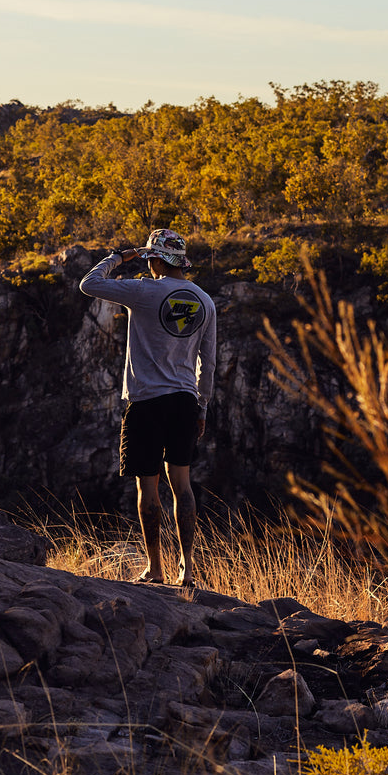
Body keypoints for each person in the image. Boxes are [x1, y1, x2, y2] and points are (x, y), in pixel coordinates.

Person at [79, 228, 217, 587]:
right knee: (182, 485)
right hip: (185, 402)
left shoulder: (143, 290)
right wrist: (202, 407)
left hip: (146, 402)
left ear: (153, 258)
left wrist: (120, 257)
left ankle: (156, 570)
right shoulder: (205, 301)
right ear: (181, 261)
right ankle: (187, 570)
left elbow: (89, 284)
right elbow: (209, 363)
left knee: (148, 488)